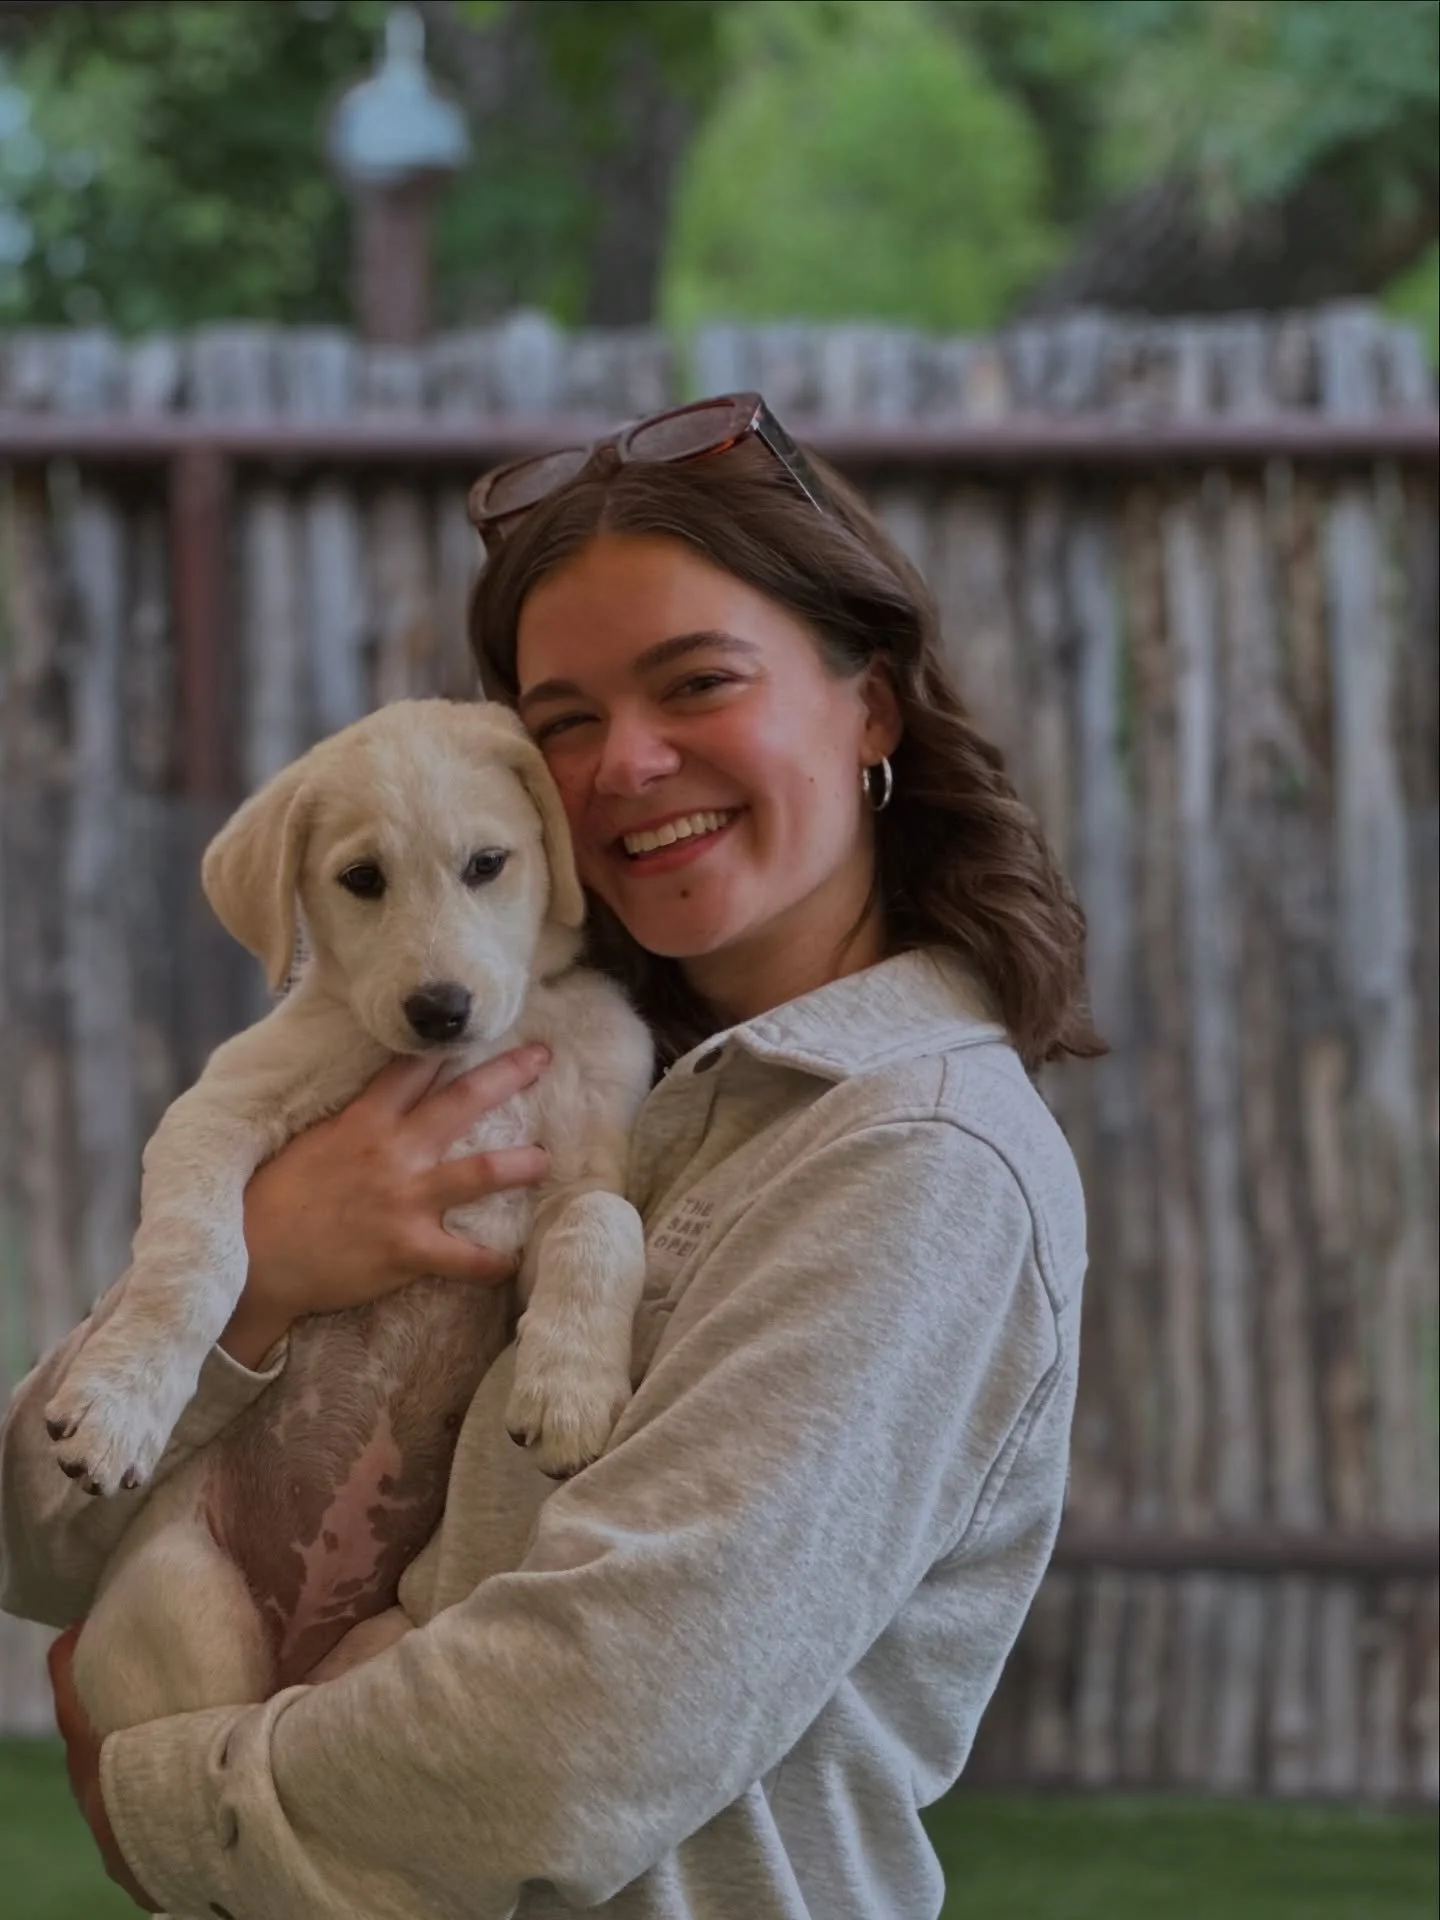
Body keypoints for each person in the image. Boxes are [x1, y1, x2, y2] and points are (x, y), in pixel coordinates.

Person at [1, 392, 1099, 1920]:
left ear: (871, 704)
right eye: (564, 718)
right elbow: (40, 1545)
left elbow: (583, 1733)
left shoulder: (912, 1159)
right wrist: (266, 1285)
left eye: (697, 683)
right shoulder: (567, 1078)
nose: (624, 766)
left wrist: (170, 1808)